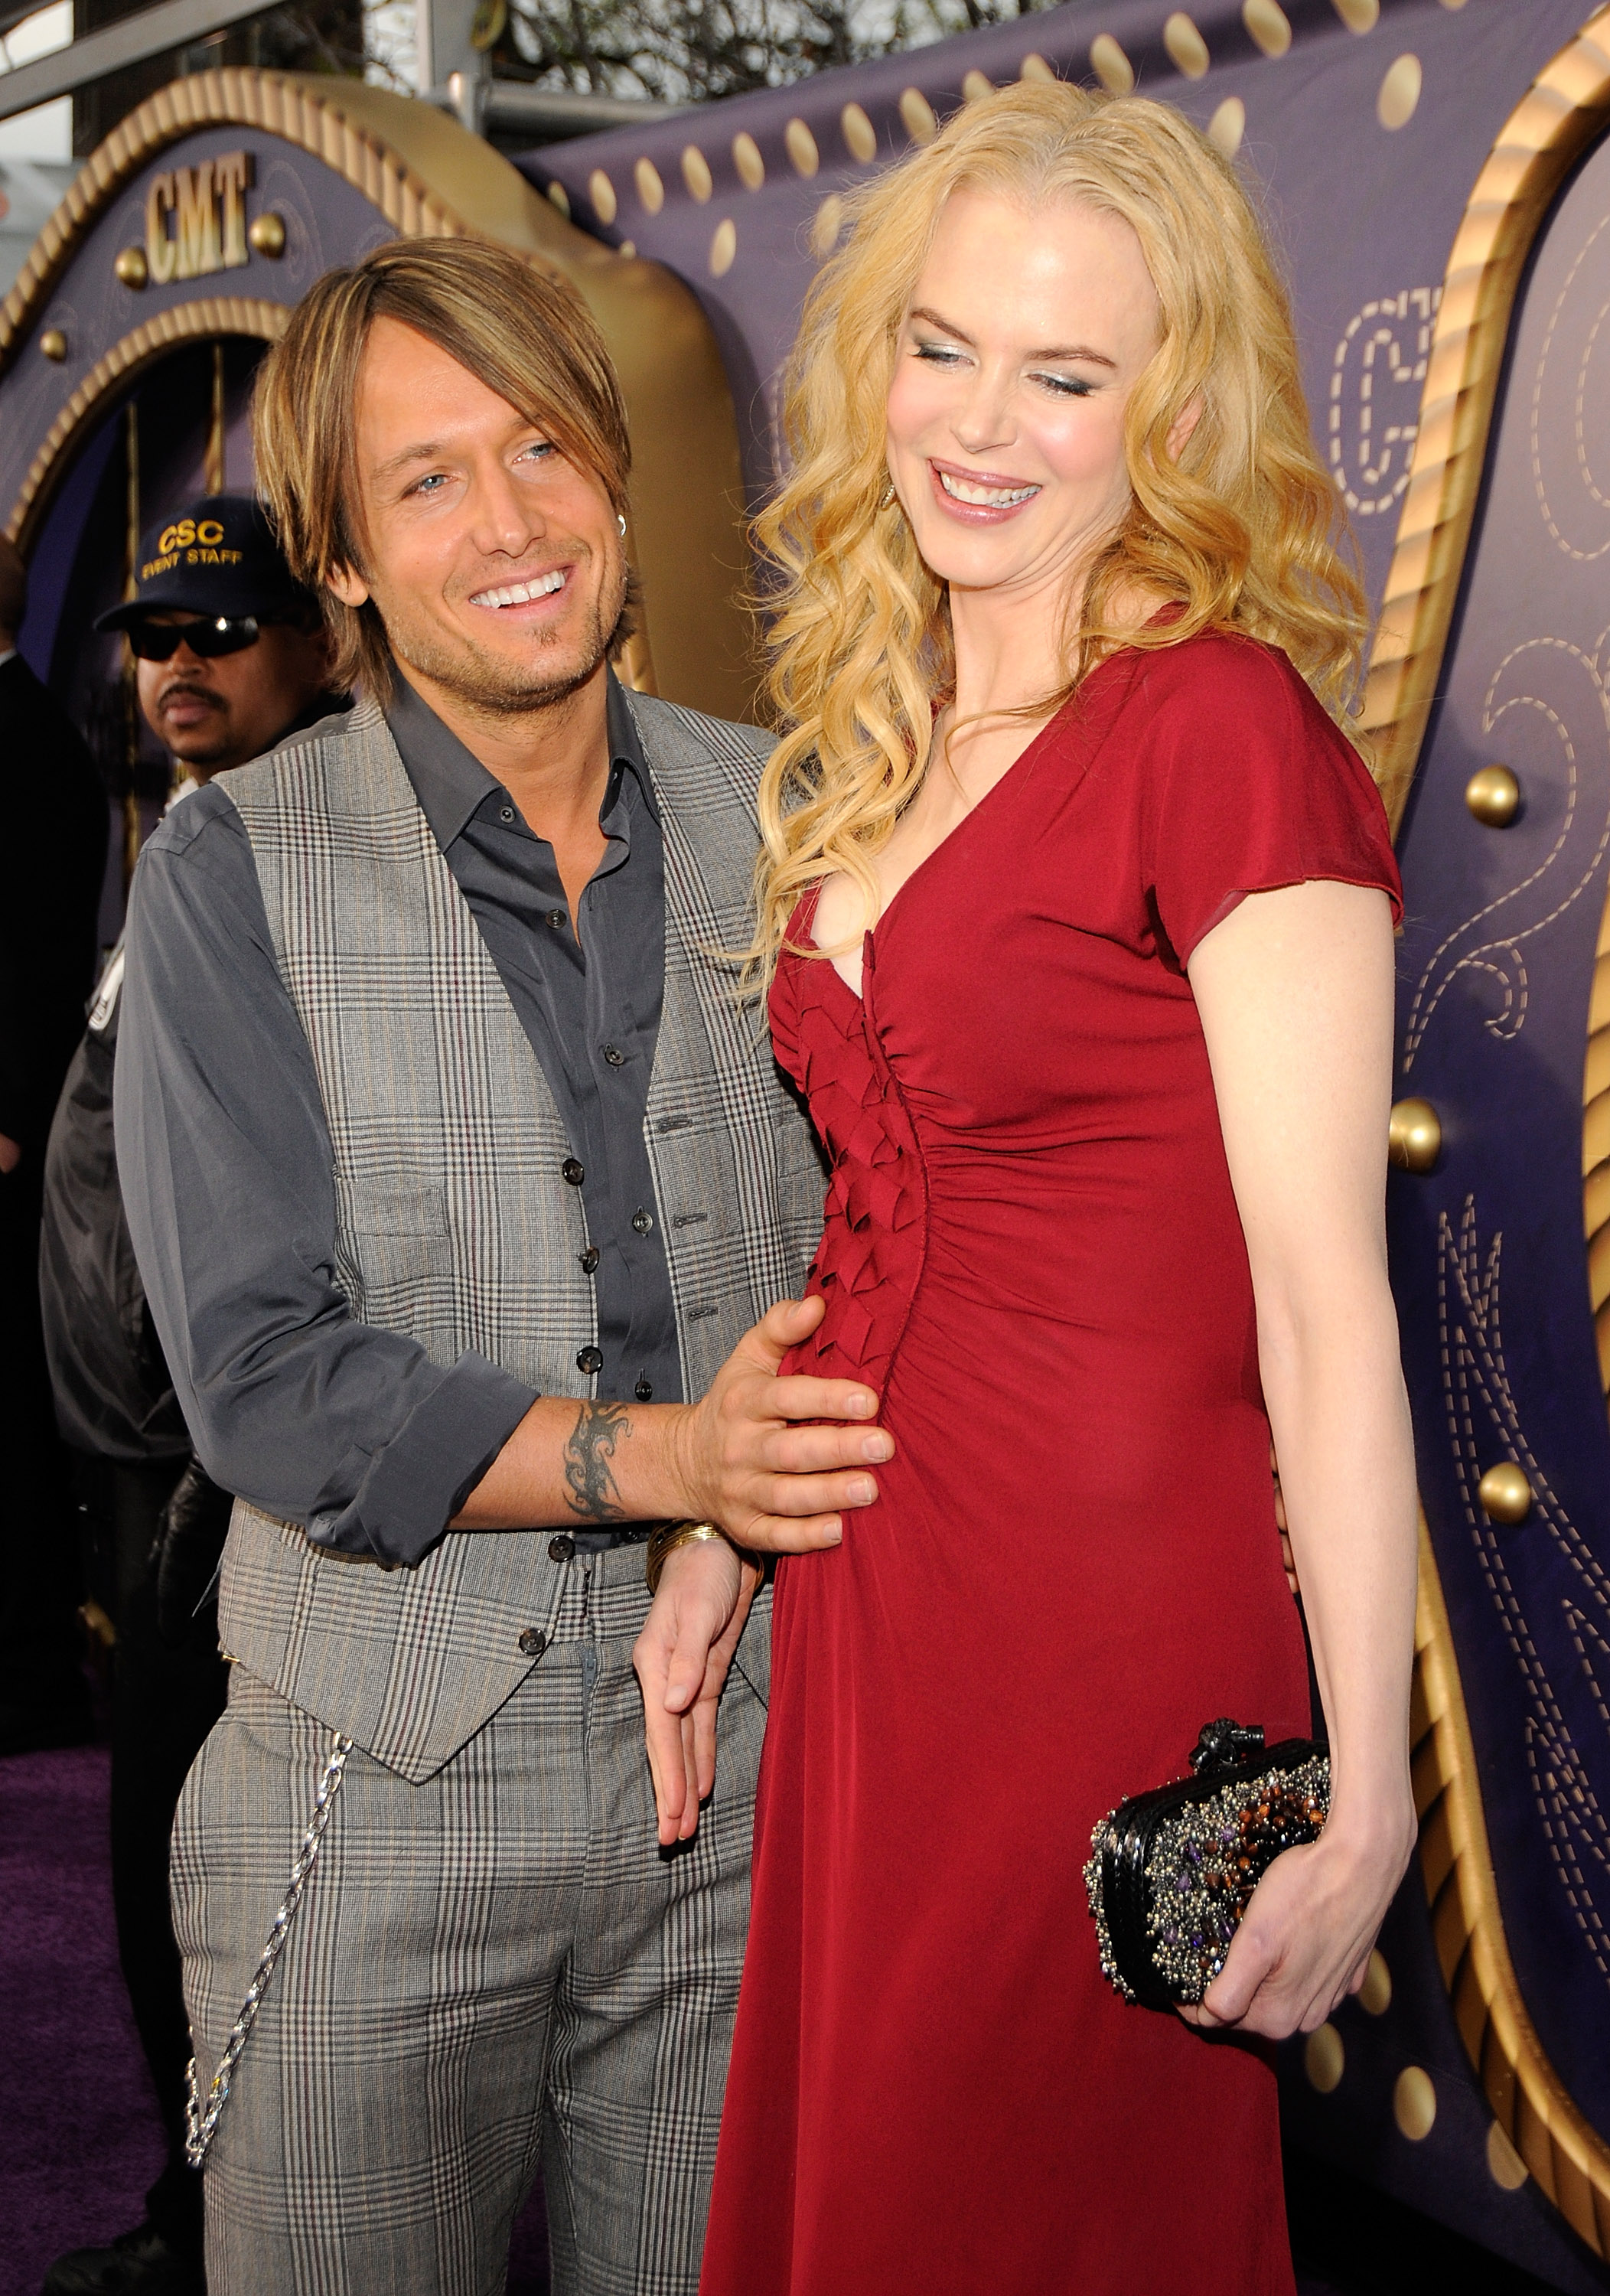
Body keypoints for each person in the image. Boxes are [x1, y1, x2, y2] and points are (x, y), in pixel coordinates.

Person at [640, 83, 1420, 2296]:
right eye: (945, 344)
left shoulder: (1221, 727)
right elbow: (896, 1211)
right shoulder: (882, 734)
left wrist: (1367, 1801)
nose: (981, 423)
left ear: (1164, 414)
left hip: (1094, 1623)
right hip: (880, 1612)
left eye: (1064, 375)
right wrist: (725, 1523)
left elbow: (1322, 1305)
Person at [112, 239, 885, 2296]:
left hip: (740, 1802)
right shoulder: (230, 868)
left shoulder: (799, 822)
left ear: (617, 478)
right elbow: (268, 1380)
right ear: (344, 563)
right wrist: (670, 1464)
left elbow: (893, 1239)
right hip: (372, 1800)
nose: (513, 522)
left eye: (543, 447)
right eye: (428, 481)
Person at [40, 493, 347, 2296]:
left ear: (314, 646)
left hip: (199, 1477)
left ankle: (215, 2230)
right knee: (156, 1869)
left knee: (209, 1883)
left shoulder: (295, 850)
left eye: (222, 634)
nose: (178, 665)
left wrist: (199, 1471)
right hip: (123, 1461)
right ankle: (201, 2209)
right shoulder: (182, 836)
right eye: (156, 635)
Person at [0, 530, 109, 1754]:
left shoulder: (26, 736)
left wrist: (9, 1113)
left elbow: (28, 945)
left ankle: (28, 1668)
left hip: (15, 1147)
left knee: (12, 1422)